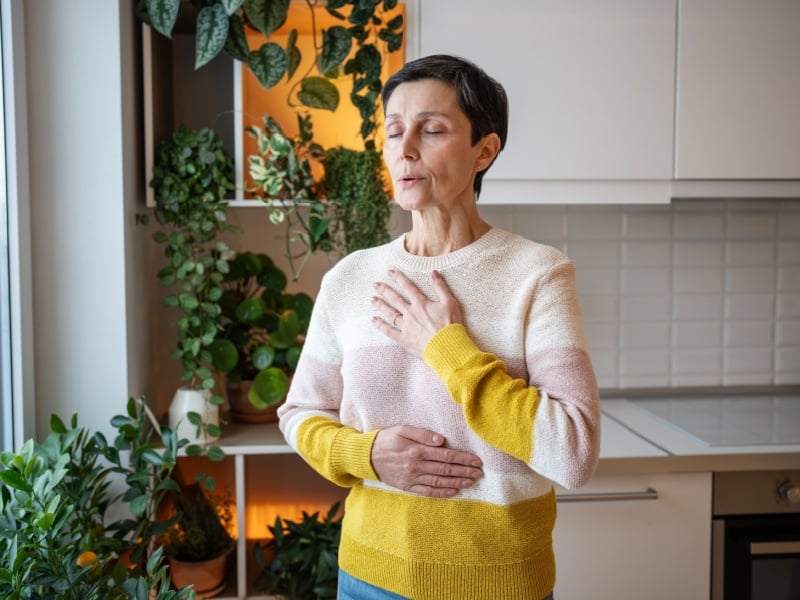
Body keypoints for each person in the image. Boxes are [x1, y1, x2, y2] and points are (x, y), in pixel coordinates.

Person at [278, 54, 600, 600]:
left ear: (485, 150)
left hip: (499, 584)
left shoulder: (538, 274)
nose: (404, 151)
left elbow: (572, 451)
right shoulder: (349, 279)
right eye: (394, 131)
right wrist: (368, 455)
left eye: (431, 130)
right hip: (366, 578)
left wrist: (445, 348)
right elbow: (300, 414)